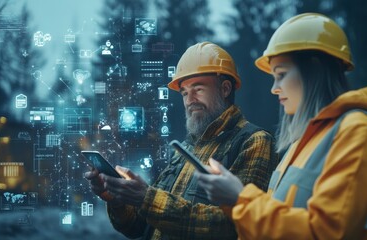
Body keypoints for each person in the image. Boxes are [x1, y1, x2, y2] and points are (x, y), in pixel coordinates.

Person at [196, 13, 367, 239]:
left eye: (281, 75)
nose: (274, 88)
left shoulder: (358, 133)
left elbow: (325, 233)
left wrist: (240, 198)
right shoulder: (300, 144)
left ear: (313, 68)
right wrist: (234, 201)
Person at [85, 42, 279, 239]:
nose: (189, 100)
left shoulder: (253, 142)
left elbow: (234, 226)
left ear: (225, 89)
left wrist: (147, 199)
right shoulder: (185, 150)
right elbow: (138, 228)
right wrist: (119, 199)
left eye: (198, 89)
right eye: (184, 92)